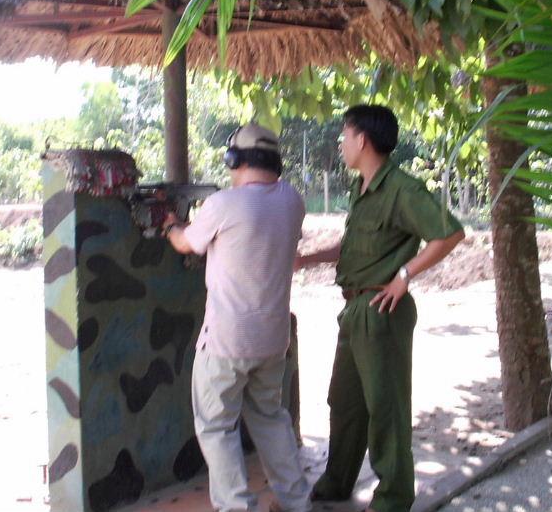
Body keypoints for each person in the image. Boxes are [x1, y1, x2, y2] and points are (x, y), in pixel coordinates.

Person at [296, 105, 465, 512]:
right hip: (354, 310)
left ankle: (393, 498)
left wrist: (404, 275)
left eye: (344, 135)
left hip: (381, 310)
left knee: (386, 408)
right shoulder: (362, 189)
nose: (340, 143)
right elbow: (353, 247)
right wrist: (306, 259)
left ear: (362, 140)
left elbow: (449, 233)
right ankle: (337, 482)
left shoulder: (402, 189)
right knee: (344, 402)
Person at [163, 123, 311, 512]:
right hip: (273, 340)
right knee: (270, 418)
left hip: (225, 341)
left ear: (235, 160)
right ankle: (297, 502)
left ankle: (237, 506)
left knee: (216, 427)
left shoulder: (223, 205)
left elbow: (185, 243)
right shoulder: (293, 201)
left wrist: (170, 224)